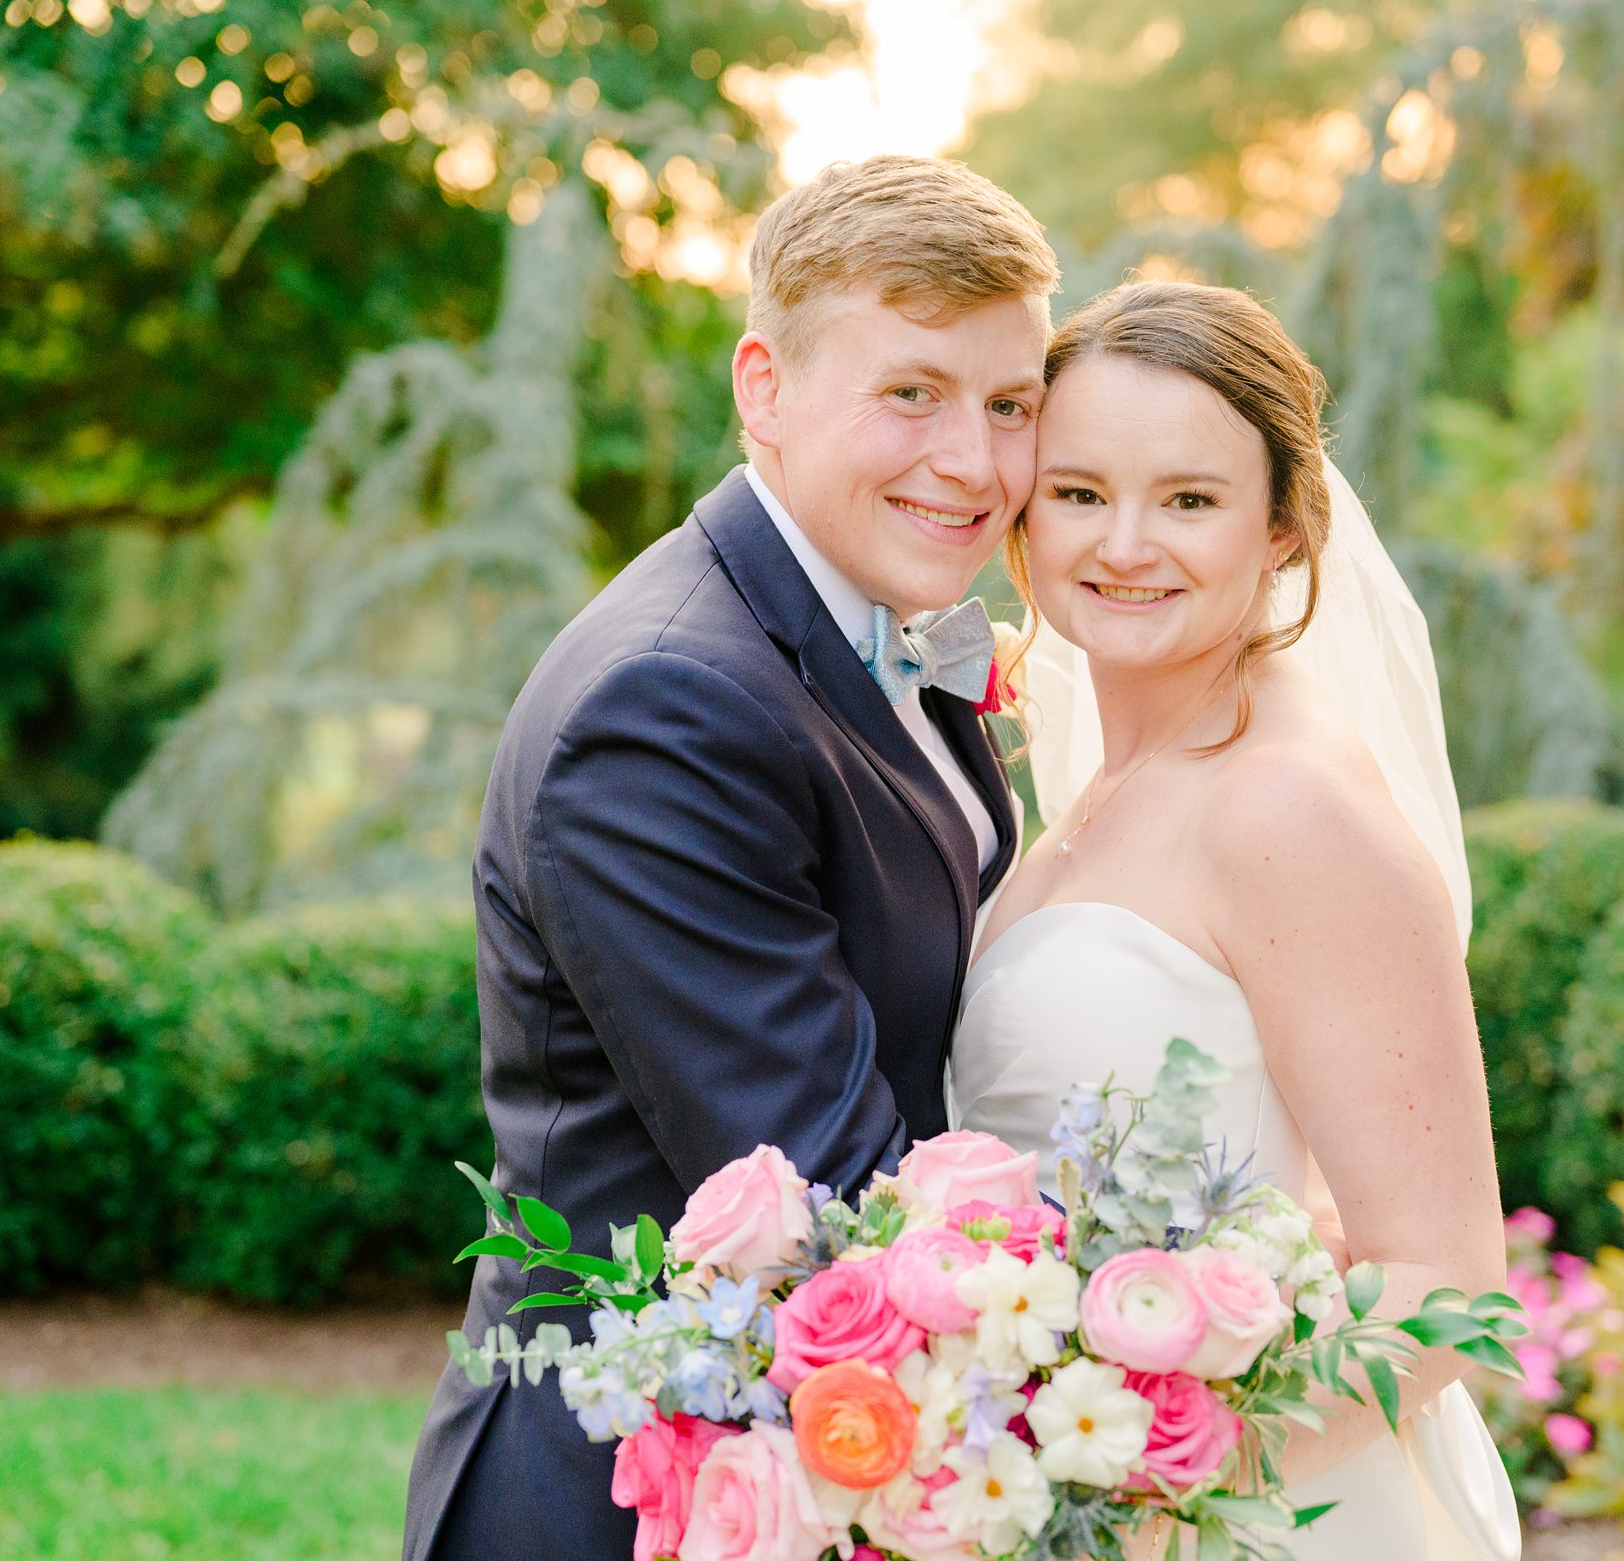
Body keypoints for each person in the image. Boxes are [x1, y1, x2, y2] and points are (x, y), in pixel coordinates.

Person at [400, 155, 1056, 1561]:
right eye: (911, 393)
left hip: (839, 1449)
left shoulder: (874, 626)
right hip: (633, 1484)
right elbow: (823, 1185)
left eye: (1009, 406)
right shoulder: (668, 706)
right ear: (763, 386)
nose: (975, 462)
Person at [951, 279, 1523, 1558]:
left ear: (1284, 527)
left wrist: (1115, 1499)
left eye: (1191, 499)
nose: (1123, 544)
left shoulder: (1286, 809)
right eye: (1081, 492)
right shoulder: (1096, 784)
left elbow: (1447, 1291)